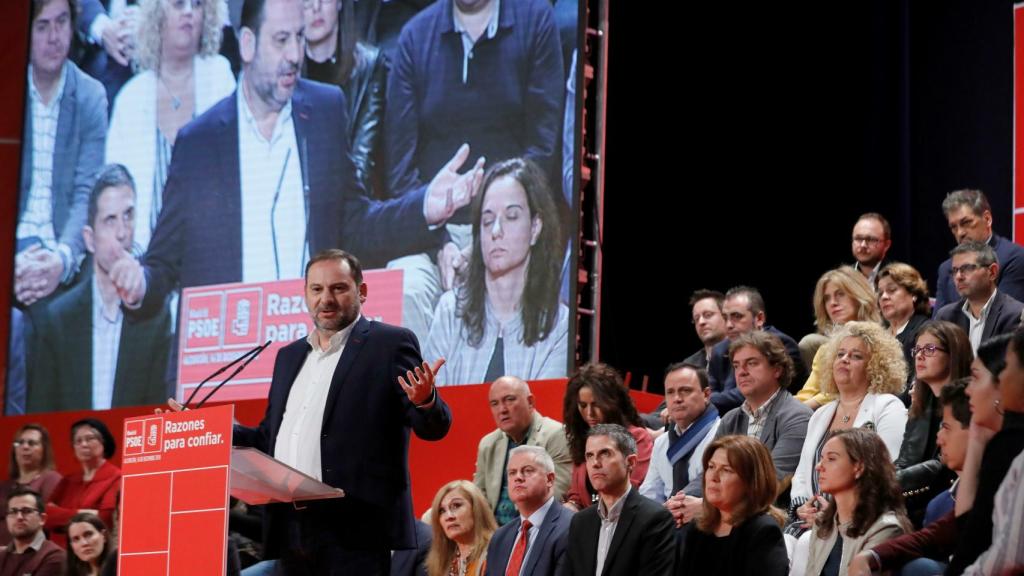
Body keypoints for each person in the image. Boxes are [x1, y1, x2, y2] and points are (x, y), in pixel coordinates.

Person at [116, 0, 486, 322]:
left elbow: (357, 226)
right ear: (247, 44)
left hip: (314, 351)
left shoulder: (324, 113)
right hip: (228, 363)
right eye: (281, 40)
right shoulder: (200, 142)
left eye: (299, 38)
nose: (295, 54)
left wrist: (424, 206)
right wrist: (139, 284)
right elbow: (164, 263)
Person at [230, 249, 452, 575]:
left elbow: (433, 427)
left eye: (338, 288)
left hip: (356, 530)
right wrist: (216, 428)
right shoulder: (288, 357)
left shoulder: (389, 344)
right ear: (305, 295)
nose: (326, 299)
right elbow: (268, 438)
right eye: (317, 289)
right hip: (293, 531)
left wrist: (426, 400)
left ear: (361, 291)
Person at [28, 164, 172, 412]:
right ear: (89, 239)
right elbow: (41, 418)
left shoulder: (156, 318)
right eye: (110, 220)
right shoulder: (58, 320)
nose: (122, 232)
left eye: (128, 215)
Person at [105, 0, 236, 252]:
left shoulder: (221, 78)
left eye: (197, 4)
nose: (188, 12)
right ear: (155, 17)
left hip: (211, 249)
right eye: (178, 4)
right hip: (145, 255)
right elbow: (114, 189)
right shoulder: (131, 98)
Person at [425, 158, 568, 386]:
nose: (496, 231)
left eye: (511, 216)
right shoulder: (450, 311)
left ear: (535, 227)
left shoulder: (559, 325)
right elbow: (428, 411)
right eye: (487, 220)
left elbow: (547, 418)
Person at [789, 322, 908, 531]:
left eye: (856, 356)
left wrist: (836, 510)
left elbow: (886, 472)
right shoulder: (820, 414)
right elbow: (802, 473)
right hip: (811, 520)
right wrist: (802, 507)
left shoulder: (888, 406)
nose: (844, 359)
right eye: (840, 354)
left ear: (875, 367)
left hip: (861, 521)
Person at [711, 330, 811, 511]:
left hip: (770, 520)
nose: (741, 372)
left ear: (777, 370)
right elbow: (708, 474)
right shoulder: (730, 419)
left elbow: (772, 481)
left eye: (751, 363)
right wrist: (682, 501)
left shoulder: (798, 417)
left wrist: (707, 505)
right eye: (736, 366)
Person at [790, 429, 911, 576]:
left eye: (831, 459)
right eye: (821, 458)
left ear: (858, 467)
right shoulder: (822, 523)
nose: (818, 466)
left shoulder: (885, 528)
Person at [565, 424, 675, 576]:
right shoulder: (580, 522)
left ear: (630, 462)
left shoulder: (655, 519)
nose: (595, 463)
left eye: (605, 454)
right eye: (590, 456)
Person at [302, 0, 386, 198]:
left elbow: (362, 163)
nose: (315, 7)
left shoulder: (369, 63)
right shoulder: (284, 68)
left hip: (348, 206)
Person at [677, 435, 789, 576]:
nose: (713, 477)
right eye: (711, 467)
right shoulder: (697, 527)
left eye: (726, 470)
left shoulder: (763, 531)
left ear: (751, 481)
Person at [894, 321, 972, 524]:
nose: (919, 356)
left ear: (953, 355)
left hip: (948, 497)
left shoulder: (967, 400)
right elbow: (905, 459)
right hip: (914, 495)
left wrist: (888, 483)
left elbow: (943, 464)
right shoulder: (921, 403)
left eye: (929, 349)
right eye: (917, 349)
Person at [473, 376, 571, 525]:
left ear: (530, 402)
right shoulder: (488, 444)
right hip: (494, 533)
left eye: (510, 400)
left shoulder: (556, 434)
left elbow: (557, 492)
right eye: (495, 403)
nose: (502, 410)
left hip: (537, 525)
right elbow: (478, 496)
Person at [560, 363, 652, 511]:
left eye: (596, 405)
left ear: (613, 402)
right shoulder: (582, 439)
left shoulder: (637, 438)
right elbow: (577, 496)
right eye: (583, 406)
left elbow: (629, 491)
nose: (590, 413)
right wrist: (570, 506)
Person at [705, 285, 807, 413]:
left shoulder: (781, 344)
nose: (729, 325)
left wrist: (704, 400)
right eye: (725, 318)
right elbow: (709, 390)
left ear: (759, 319)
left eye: (737, 316)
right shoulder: (719, 350)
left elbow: (751, 392)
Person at [795, 266, 882, 409]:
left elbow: (835, 392)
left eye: (840, 294)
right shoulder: (825, 350)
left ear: (857, 295)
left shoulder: (878, 340)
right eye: (827, 298)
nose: (833, 303)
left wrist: (799, 410)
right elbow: (807, 393)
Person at [639, 362, 720, 503]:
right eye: (670, 392)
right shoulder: (661, 443)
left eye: (686, 391)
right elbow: (649, 495)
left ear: (706, 395)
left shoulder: (722, 434)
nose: (677, 399)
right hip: (666, 520)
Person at [485, 446, 572, 576]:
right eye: (512, 473)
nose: (518, 477)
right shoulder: (500, 537)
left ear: (550, 479)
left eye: (527, 471)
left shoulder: (571, 527)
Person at [934, 189, 1024, 311]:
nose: (960, 233)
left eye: (966, 222)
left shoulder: (1014, 258)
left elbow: (1007, 316)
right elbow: (938, 325)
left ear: (987, 219)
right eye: (954, 227)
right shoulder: (946, 268)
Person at [934, 240, 1024, 353]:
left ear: (992, 272)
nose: (958, 277)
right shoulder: (946, 316)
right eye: (955, 270)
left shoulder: (1016, 315)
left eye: (967, 268)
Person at [45, 419, 121, 549]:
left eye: (90, 438)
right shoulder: (67, 481)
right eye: (78, 441)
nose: (83, 444)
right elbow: (46, 516)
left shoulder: (116, 477)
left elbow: (105, 518)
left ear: (104, 442)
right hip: (62, 554)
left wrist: (62, 514)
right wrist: (86, 513)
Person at [0, 425, 62, 546]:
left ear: (44, 449)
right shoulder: (4, 486)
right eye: (20, 443)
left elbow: (53, 518)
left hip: (31, 554)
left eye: (32, 443)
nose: (25, 447)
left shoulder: (51, 479)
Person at [425, 480, 496, 576]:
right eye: (442, 511)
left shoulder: (495, 552)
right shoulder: (442, 561)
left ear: (476, 509)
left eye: (456, 505)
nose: (449, 516)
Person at [876, 262, 931, 378]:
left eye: (891, 290)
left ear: (913, 294)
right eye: (880, 293)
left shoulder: (924, 330)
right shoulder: (878, 334)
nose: (884, 297)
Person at [0, 487, 65, 576]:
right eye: (13, 511)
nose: (19, 517)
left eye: (26, 511)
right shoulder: (2, 555)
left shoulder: (55, 556)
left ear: (42, 519)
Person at [850, 212, 892, 286]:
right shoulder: (842, 278)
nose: (863, 245)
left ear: (886, 245)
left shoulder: (899, 278)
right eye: (858, 238)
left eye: (871, 239)